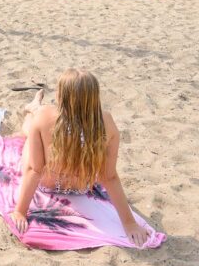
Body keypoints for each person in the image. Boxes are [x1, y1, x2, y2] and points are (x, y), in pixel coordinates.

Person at [9, 69, 153, 247]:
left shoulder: (46, 116)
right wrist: (129, 224)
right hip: (83, 189)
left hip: (46, 185)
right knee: (34, 125)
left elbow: (34, 169)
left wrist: (20, 211)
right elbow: (109, 177)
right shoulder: (106, 123)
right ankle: (33, 108)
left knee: (31, 130)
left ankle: (33, 109)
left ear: (61, 96)